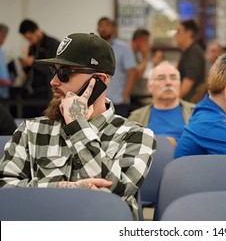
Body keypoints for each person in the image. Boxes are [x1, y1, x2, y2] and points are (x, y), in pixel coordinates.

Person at [0, 33, 156, 220]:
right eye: (53, 72)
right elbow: (4, 190)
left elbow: (117, 194)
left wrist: (77, 126)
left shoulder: (136, 135)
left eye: (64, 73)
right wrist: (63, 188)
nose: (53, 82)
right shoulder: (30, 130)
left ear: (99, 80)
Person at [128, 61, 195, 146]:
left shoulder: (196, 113)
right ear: (149, 86)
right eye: (161, 78)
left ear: (179, 83)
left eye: (173, 78)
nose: (168, 82)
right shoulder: (136, 118)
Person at [97, 17, 137, 117]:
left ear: (114, 29)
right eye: (101, 25)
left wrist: (125, 95)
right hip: (97, 101)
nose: (104, 28)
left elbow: (132, 73)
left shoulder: (124, 49)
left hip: (118, 101)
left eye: (107, 25)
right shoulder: (93, 48)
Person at [18, 19, 60, 115]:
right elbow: (30, 72)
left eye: (30, 38)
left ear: (36, 31)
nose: (30, 42)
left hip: (47, 93)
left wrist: (34, 62)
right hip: (32, 93)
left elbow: (54, 69)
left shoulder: (53, 44)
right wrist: (25, 65)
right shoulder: (32, 47)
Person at [176, 19, 206, 102]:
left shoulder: (194, 52)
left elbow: (189, 80)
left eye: (178, 31)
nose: (176, 35)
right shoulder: (187, 52)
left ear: (189, 33)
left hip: (191, 103)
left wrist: (174, 100)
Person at [0, 24, 12, 99]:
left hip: (4, 93)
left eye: (5, 36)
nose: (3, 39)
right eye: (2, 36)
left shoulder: (2, 51)